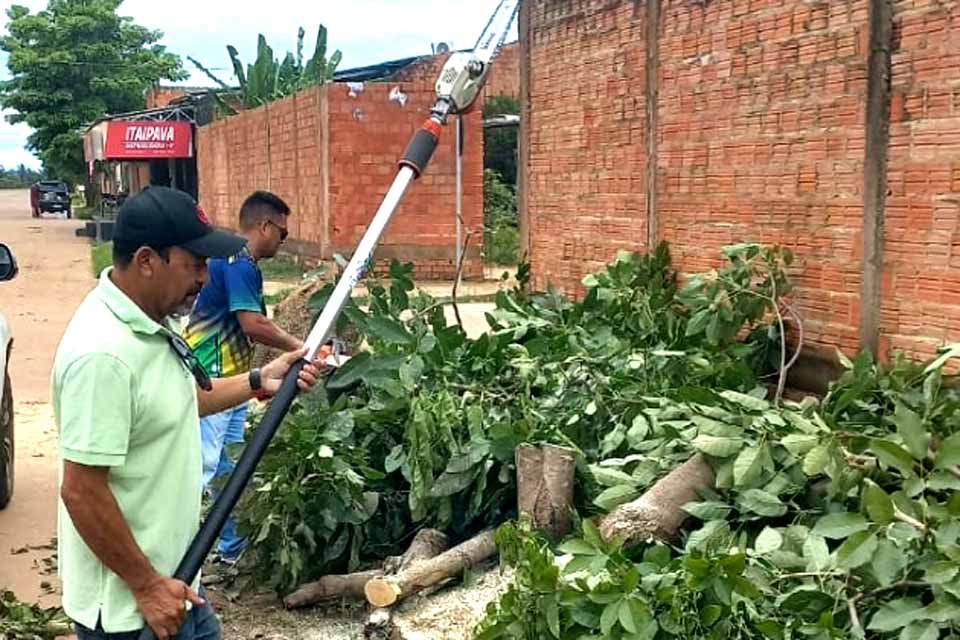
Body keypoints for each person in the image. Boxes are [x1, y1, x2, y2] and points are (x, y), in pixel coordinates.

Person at [52, 186, 329, 640]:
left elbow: (183, 399)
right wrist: (147, 586)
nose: (204, 278)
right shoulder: (102, 354)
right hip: (133, 611)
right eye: (195, 265)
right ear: (147, 261)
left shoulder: (151, 324)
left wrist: (259, 380)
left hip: (180, 583)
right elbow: (81, 491)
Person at [182, 191, 302, 563]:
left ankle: (232, 550)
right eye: (282, 234)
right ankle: (179, 562)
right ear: (264, 226)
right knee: (203, 470)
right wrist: (300, 346)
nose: (283, 242)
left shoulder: (239, 261)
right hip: (212, 376)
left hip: (235, 379)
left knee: (229, 470)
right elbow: (253, 324)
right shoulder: (238, 262)